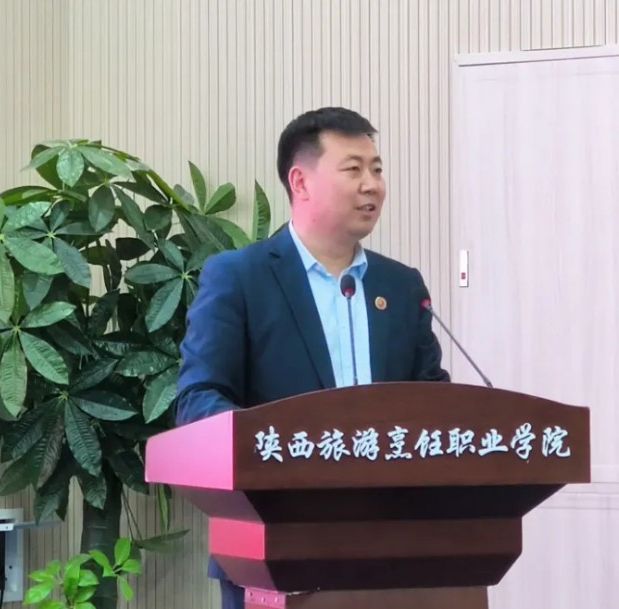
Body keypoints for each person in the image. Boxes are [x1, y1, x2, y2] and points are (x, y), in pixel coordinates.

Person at [175, 106, 450, 609]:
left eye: (377, 169)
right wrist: (280, 447)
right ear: (300, 182)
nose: (372, 185)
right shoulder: (239, 277)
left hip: (393, 547)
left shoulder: (401, 286)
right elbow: (198, 400)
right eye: (353, 169)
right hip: (275, 544)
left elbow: (431, 400)